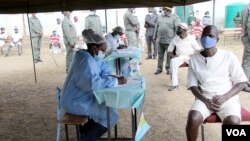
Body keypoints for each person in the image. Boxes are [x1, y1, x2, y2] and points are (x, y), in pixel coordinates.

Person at [61, 29, 127, 141]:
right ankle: (86, 138)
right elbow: (93, 84)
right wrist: (116, 81)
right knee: (111, 115)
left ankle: (85, 133)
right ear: (94, 48)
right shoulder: (84, 61)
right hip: (76, 101)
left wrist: (112, 77)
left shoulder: (91, 57)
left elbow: (104, 68)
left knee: (109, 109)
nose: (103, 53)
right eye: (102, 50)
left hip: (82, 98)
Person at [185, 25, 247, 141]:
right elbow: (192, 86)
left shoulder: (228, 56)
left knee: (233, 122)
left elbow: (241, 82)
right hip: (205, 98)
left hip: (227, 98)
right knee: (193, 118)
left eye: (211, 36)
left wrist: (224, 97)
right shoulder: (194, 59)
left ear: (217, 40)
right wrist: (205, 100)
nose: (206, 38)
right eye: (204, 35)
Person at [167, 23, 200, 91]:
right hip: (179, 57)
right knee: (173, 62)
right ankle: (174, 84)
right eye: (178, 29)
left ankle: (192, 84)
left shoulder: (191, 38)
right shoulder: (176, 38)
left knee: (196, 64)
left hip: (190, 56)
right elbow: (169, 50)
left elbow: (198, 49)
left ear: (185, 30)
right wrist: (173, 56)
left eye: (180, 29)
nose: (179, 31)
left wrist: (193, 55)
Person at [154, 6, 180, 75]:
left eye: (165, 9)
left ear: (169, 10)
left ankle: (168, 68)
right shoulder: (160, 16)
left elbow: (177, 29)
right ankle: (159, 68)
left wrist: (176, 40)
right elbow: (157, 27)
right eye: (163, 9)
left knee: (169, 55)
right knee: (160, 54)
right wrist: (155, 36)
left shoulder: (175, 17)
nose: (163, 10)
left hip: (169, 40)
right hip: (160, 39)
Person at [241, 4, 250, 92]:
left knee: (247, 62)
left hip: (247, 40)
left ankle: (245, 82)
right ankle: (244, 84)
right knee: (247, 63)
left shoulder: (246, 7)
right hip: (249, 41)